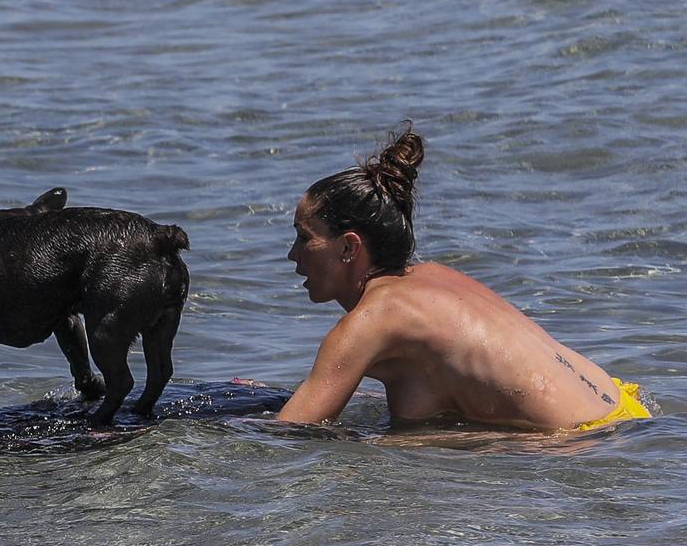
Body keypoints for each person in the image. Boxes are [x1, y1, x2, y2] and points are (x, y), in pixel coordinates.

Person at [276, 124, 649, 432]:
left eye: (304, 237)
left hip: (579, 442)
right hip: (625, 410)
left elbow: (292, 434)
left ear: (348, 247)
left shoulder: (369, 322)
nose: (293, 255)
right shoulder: (433, 276)